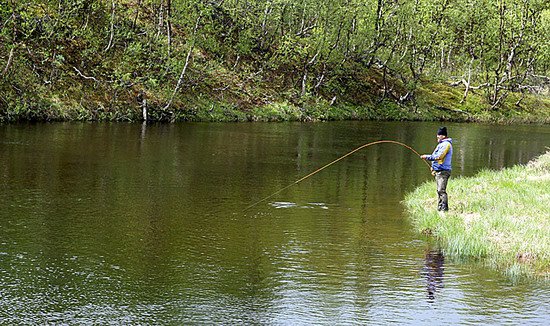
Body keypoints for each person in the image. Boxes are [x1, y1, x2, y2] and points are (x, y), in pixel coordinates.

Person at [421, 127, 453, 211]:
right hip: (439, 171)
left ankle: (444, 209)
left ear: (443, 136)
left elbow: (439, 156)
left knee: (441, 190)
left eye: (439, 135)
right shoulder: (441, 144)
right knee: (439, 190)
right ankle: (439, 208)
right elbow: (438, 159)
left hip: (444, 171)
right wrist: (434, 167)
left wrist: (426, 157)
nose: (437, 137)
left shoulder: (446, 145)